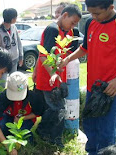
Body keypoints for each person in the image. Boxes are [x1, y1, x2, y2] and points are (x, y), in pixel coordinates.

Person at [59, 0, 116, 155]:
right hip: (92, 86)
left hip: (110, 88)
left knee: (107, 128)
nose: (94, 17)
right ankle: (92, 153)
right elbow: (85, 48)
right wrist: (67, 59)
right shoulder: (91, 22)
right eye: (91, 13)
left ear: (111, 8)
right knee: (90, 123)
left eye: (97, 13)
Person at [33, 4, 81, 146]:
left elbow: (67, 56)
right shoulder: (52, 30)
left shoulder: (69, 32)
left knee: (55, 107)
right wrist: (52, 74)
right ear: (65, 15)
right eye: (72, 22)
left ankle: (44, 132)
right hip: (49, 77)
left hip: (59, 76)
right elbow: (43, 55)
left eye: (75, 24)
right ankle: (52, 137)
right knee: (58, 108)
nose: (72, 26)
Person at [0, 71, 44, 155]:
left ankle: (29, 139)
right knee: (2, 126)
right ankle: (4, 139)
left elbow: (37, 113)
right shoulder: (4, 96)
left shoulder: (33, 97)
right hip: (9, 116)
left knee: (22, 132)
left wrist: (22, 118)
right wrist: (8, 146)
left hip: (26, 118)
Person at [0, 8, 23, 88]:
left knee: (13, 80)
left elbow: (18, 42)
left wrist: (21, 56)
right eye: (15, 17)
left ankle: (13, 97)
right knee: (2, 82)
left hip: (15, 59)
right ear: (12, 18)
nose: (16, 19)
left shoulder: (14, 27)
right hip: (4, 61)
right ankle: (1, 97)